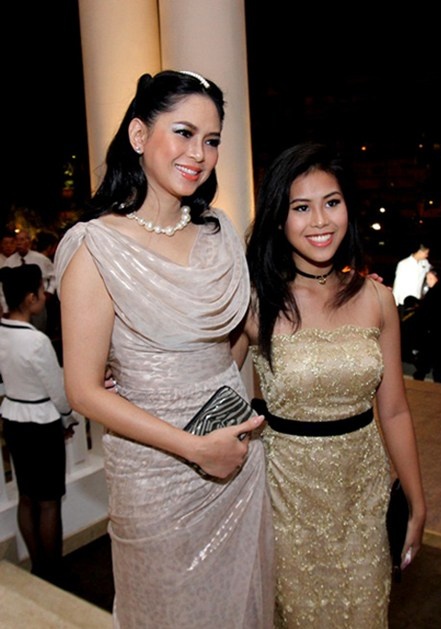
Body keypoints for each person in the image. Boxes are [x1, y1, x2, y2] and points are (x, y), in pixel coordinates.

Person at [54, 70, 274, 628]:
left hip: (234, 460)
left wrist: (218, 420)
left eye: (212, 139)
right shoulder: (95, 246)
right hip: (155, 479)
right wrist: (193, 447)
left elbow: (227, 347)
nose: (199, 154)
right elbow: (82, 390)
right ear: (138, 135)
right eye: (183, 132)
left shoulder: (220, 230)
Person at [231, 142, 426, 628]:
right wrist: (129, 374)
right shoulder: (255, 303)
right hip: (288, 500)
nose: (320, 221)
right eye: (301, 207)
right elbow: (204, 385)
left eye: (331, 202)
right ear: (279, 218)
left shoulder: (377, 298)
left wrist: (417, 502)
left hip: (364, 497)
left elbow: (395, 411)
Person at [0, 264, 77, 585]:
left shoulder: (2, 332)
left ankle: (37, 568)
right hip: (42, 423)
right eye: (41, 290)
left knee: (26, 496)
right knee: (48, 502)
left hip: (13, 420)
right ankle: (54, 572)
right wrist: (68, 417)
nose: (45, 295)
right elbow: (58, 392)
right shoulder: (36, 341)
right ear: (30, 298)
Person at [2, 229, 57, 333]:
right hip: (19, 307)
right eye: (17, 240)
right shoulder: (9, 262)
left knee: (39, 330)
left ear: (29, 241)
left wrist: (49, 292)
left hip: (37, 302)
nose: (19, 243)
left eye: (22, 239)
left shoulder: (41, 259)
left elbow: (54, 276)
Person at [392, 242, 431, 309]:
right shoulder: (403, 264)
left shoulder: (425, 263)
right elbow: (397, 284)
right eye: (426, 253)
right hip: (404, 301)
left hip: (417, 300)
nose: (427, 255)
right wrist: (394, 303)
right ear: (420, 251)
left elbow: (432, 273)